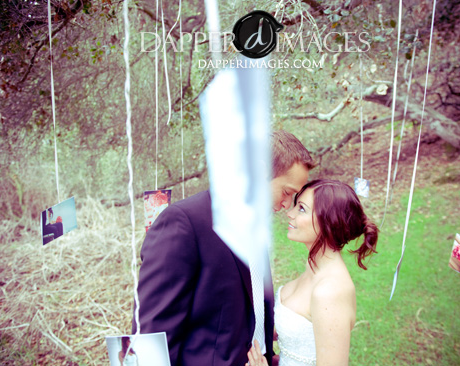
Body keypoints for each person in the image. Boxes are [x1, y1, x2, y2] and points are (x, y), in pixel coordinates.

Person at [134, 130, 315, 366]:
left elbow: (244, 313)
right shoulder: (183, 223)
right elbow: (152, 338)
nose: (286, 204)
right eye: (287, 192)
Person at [247, 179, 379, 366]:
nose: (289, 213)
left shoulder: (331, 291)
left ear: (329, 222)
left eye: (301, 209)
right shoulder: (315, 271)